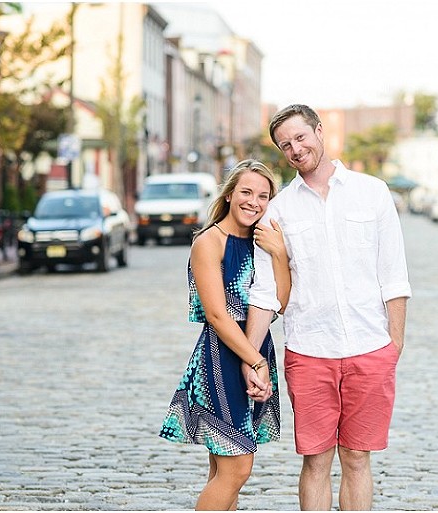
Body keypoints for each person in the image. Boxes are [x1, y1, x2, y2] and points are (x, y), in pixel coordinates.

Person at [245, 104, 412, 510]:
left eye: (301, 137)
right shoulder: (279, 209)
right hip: (309, 351)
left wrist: (394, 346)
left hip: (370, 348)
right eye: (286, 145)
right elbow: (266, 293)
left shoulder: (372, 192)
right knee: (316, 461)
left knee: (357, 458)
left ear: (319, 131)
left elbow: (393, 274)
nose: (295, 149)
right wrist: (251, 358)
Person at [159, 159, 290, 511]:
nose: (254, 202)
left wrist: (278, 253)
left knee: (222, 469)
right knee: (237, 467)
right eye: (246, 192)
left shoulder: (265, 241)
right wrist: (255, 361)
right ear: (230, 195)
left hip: (257, 349)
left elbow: (281, 300)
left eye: (264, 196)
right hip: (221, 359)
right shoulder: (210, 242)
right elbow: (217, 315)